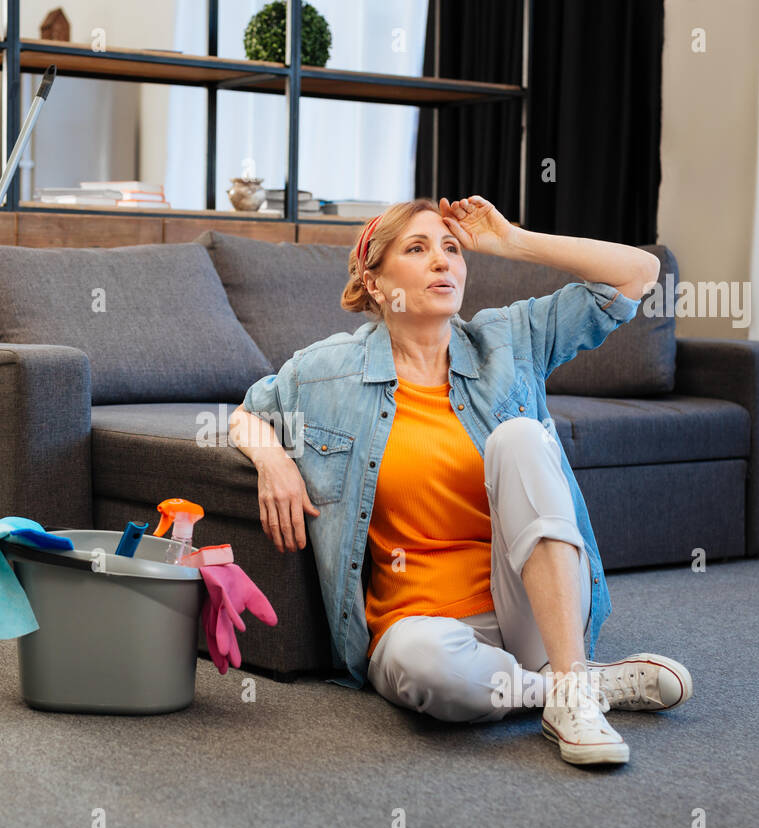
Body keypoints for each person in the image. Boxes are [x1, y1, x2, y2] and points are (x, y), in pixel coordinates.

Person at [226, 196, 693, 767]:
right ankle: (575, 689)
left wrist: (514, 242)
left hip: (525, 613)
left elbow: (640, 274)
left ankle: (566, 678)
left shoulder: (508, 342)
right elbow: (248, 412)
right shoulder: (327, 371)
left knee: (520, 436)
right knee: (428, 671)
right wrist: (273, 460)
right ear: (373, 283)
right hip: (419, 628)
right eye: (417, 249)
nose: (442, 261)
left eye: (450, 248)